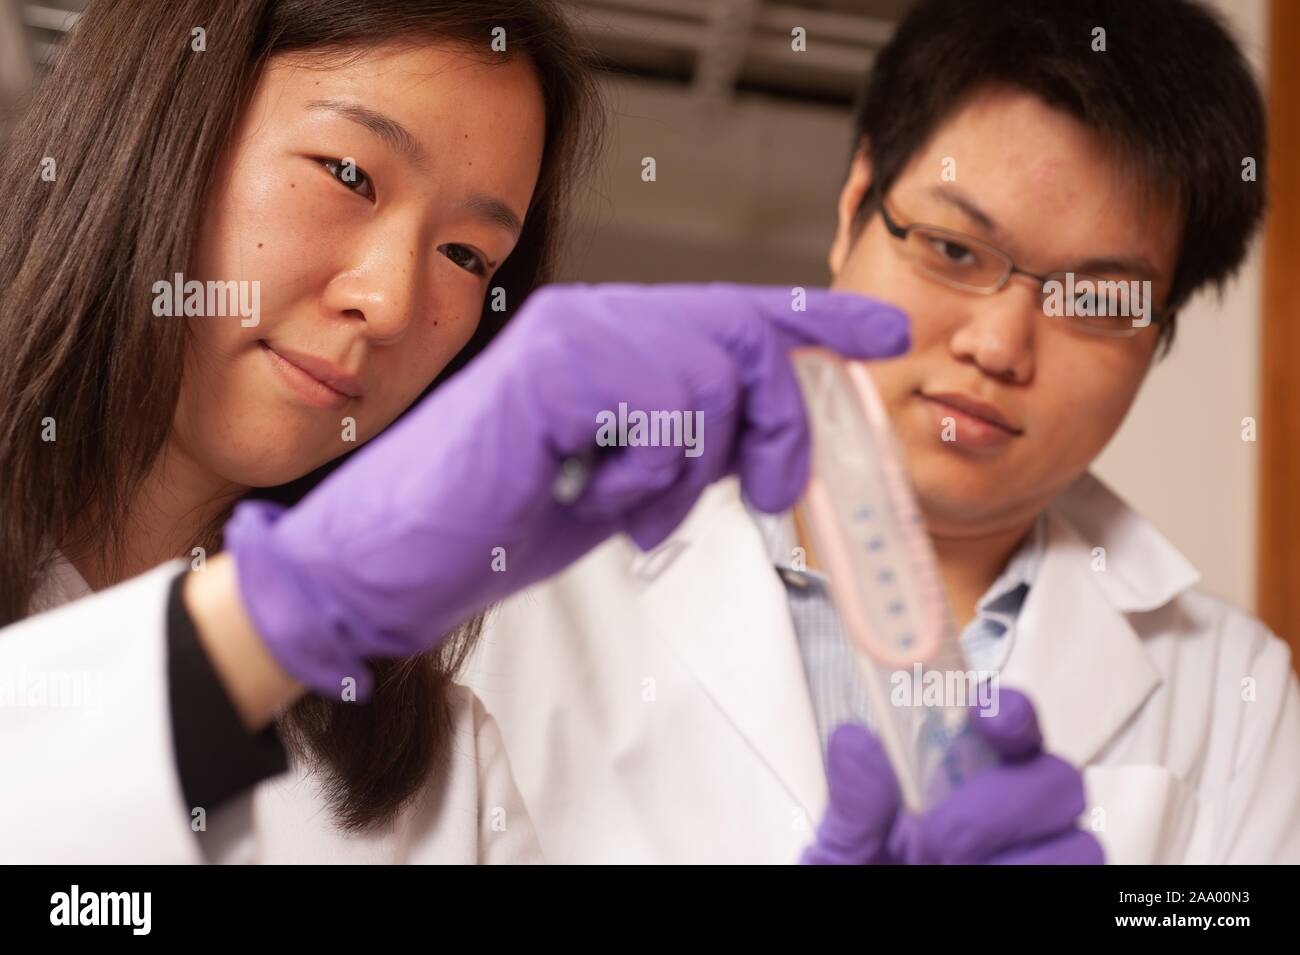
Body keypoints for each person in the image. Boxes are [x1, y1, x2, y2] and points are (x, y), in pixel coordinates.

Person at [1, 0, 916, 863]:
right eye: (349, 174)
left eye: (467, 255)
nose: (391, 301)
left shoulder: (438, 779)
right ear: (161, 124)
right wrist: (279, 612)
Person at [467, 0, 1300, 864]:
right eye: (954, 249)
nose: (999, 345)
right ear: (854, 207)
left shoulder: (1234, 691)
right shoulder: (525, 579)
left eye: (1095, 298)